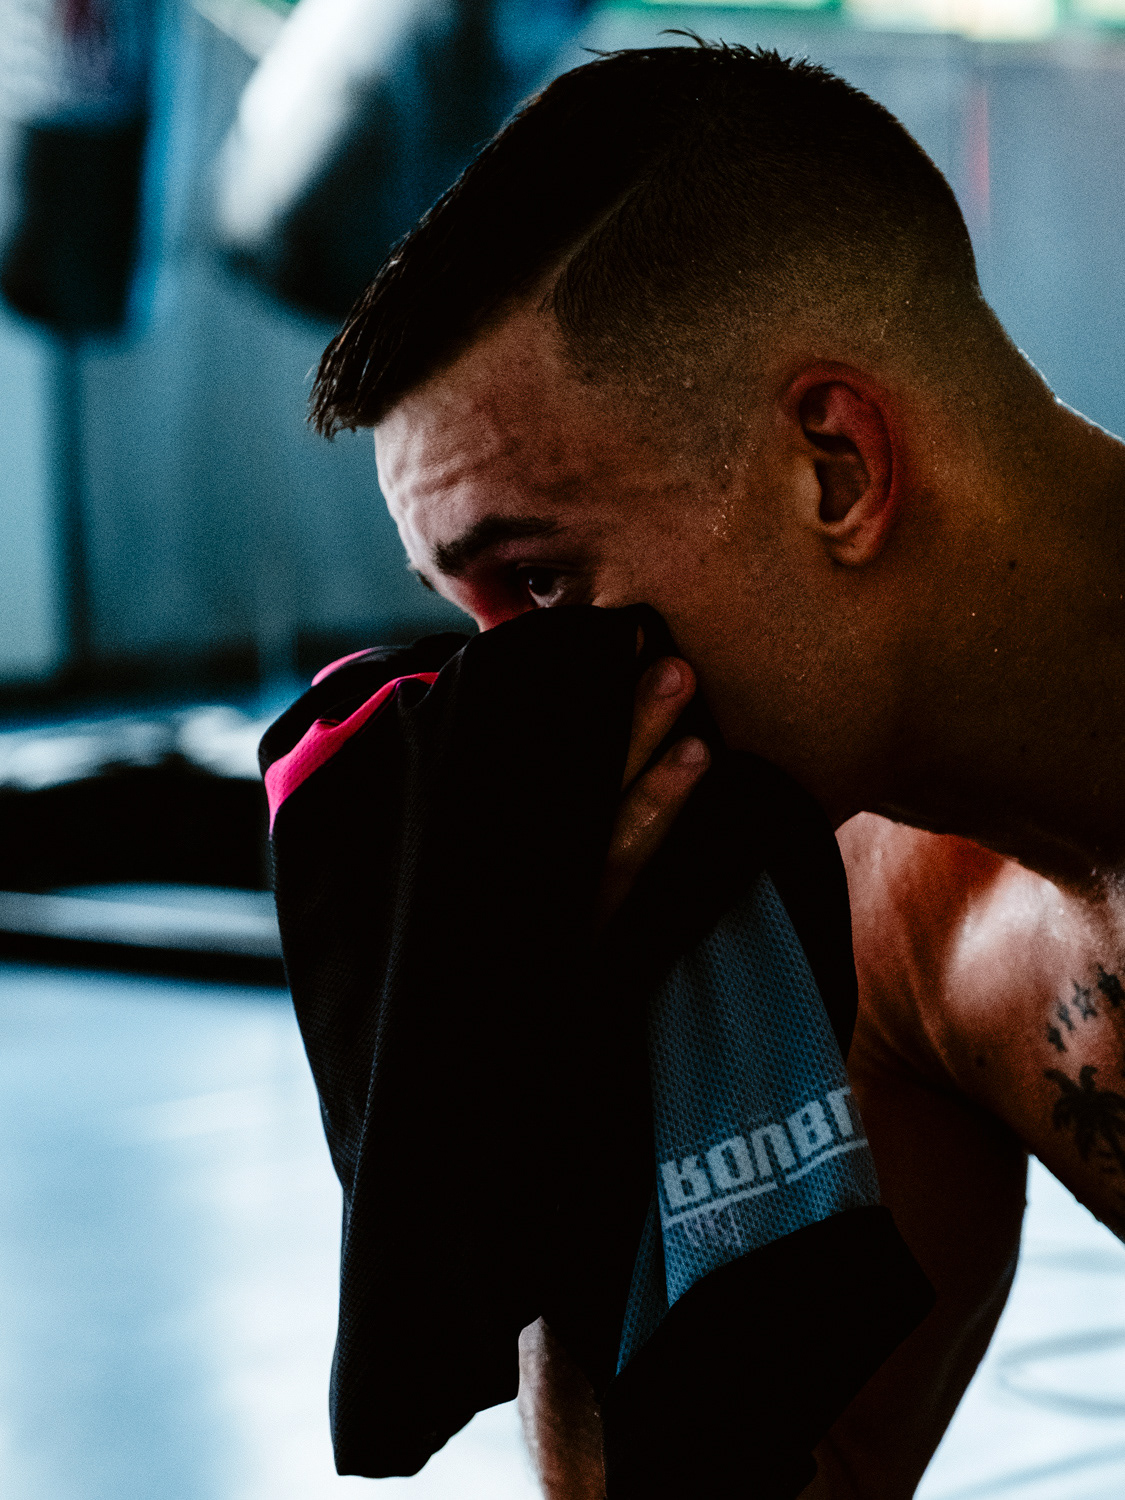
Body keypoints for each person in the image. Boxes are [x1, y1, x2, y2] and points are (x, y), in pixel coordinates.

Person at [307, 41, 1125, 1499]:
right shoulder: (885, 917)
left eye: (541, 584)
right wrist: (574, 1084)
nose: (514, 710)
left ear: (833, 468)